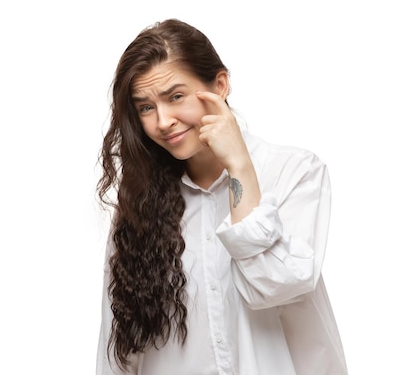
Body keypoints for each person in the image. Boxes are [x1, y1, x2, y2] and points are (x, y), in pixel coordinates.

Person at [95, 18, 348, 375]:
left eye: (175, 96)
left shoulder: (295, 173)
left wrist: (240, 166)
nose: (163, 120)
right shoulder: (139, 202)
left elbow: (276, 285)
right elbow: (119, 344)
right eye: (146, 107)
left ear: (220, 84)